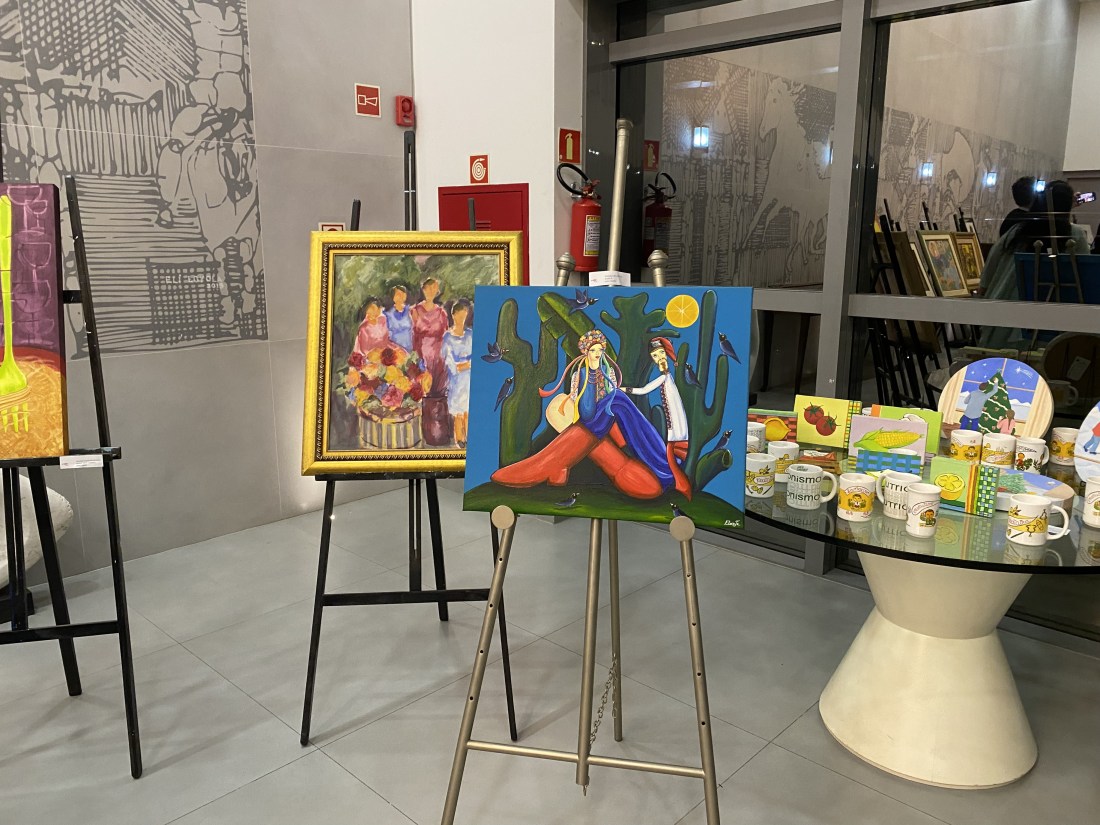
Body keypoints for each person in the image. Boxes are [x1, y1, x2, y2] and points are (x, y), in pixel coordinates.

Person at [491, 330, 673, 499]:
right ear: (586, 352)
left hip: (607, 420)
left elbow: (609, 399)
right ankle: (554, 468)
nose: (597, 353)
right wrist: (591, 373)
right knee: (605, 406)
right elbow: (586, 411)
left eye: (600, 350)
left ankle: (556, 468)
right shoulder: (581, 374)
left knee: (617, 399)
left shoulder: (608, 371)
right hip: (591, 419)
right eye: (593, 350)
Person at [978, 180, 1083, 347]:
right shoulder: (1074, 235)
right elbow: (1082, 277)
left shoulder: (1017, 232)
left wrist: (982, 297)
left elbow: (990, 270)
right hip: (1050, 317)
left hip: (1004, 309)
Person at [621, 337, 692, 496]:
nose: (659, 357)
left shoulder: (665, 377)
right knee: (672, 459)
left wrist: (623, 389)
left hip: (678, 430)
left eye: (661, 353)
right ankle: (678, 486)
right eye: (655, 355)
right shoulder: (667, 377)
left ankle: (681, 487)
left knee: (672, 459)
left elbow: (644, 390)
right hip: (676, 429)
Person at [441, 299, 473, 447]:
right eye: (459, 316)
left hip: (470, 379)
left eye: (464, 316)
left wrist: (468, 365)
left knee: (468, 411)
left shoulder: (470, 335)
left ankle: (470, 439)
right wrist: (467, 365)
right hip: (456, 381)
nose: (462, 320)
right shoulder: (448, 337)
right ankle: (460, 440)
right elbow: (449, 363)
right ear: (453, 315)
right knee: (458, 413)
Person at [411, 278, 449, 397]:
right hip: (421, 354)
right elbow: (413, 335)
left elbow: (446, 336)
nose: (431, 291)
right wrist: (416, 356)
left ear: (437, 291)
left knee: (437, 391)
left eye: (434, 288)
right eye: (428, 288)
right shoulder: (415, 310)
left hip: (438, 356)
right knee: (420, 389)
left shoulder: (441, 312)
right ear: (423, 290)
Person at [384, 285, 414, 351]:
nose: (401, 296)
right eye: (398, 294)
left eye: (403, 294)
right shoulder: (387, 314)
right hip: (394, 350)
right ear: (393, 297)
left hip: (409, 349)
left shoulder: (411, 310)